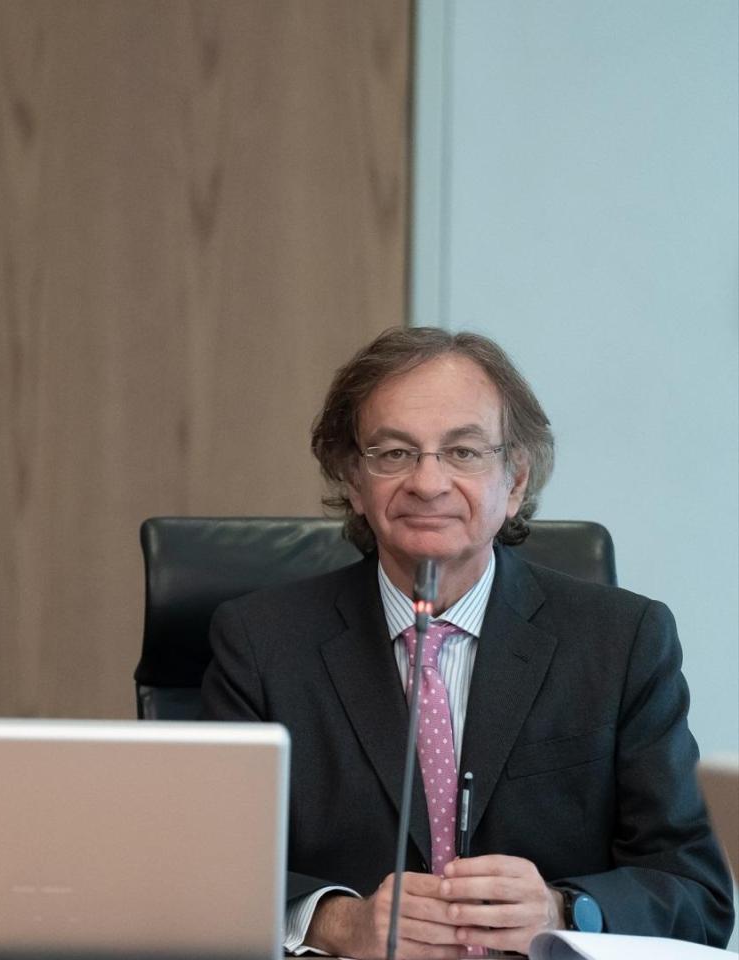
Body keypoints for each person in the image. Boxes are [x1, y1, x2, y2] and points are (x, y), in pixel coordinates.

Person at [201, 328, 733, 957]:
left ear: (514, 482)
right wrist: (338, 922)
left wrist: (565, 909)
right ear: (352, 479)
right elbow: (201, 869)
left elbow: (696, 894)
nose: (428, 483)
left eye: (464, 452)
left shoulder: (621, 642)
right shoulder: (261, 643)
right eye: (395, 453)